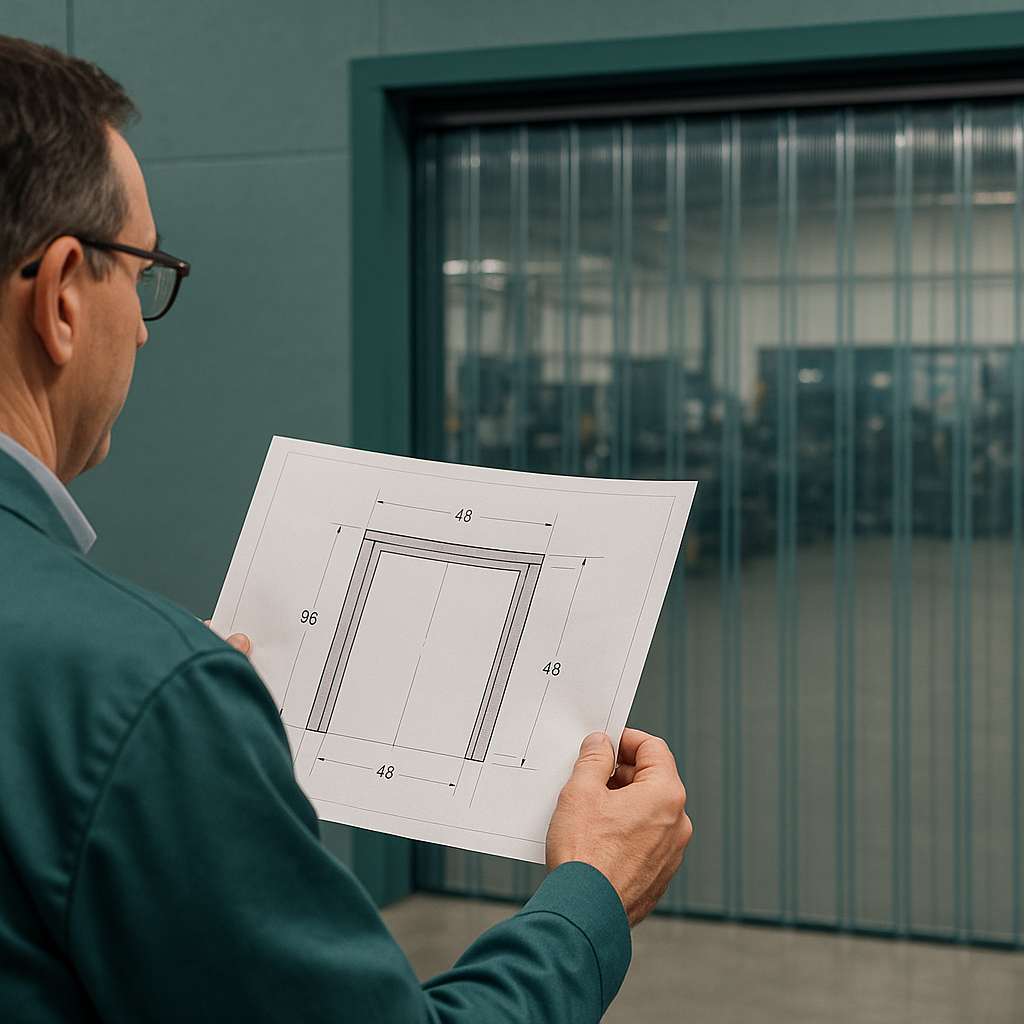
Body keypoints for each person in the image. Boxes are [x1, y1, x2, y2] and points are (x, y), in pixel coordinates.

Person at [0, 35, 692, 1023]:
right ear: (64, 294)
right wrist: (592, 896)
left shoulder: (133, 692)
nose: (144, 326)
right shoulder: (136, 696)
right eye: (142, 272)